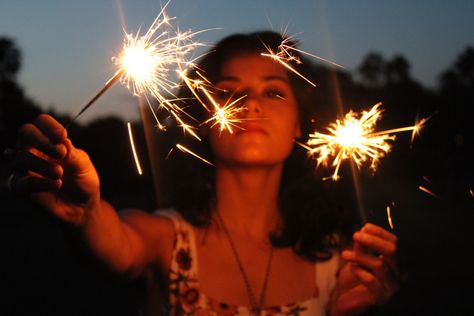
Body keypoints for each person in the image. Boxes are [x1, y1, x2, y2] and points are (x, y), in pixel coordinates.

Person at [7, 31, 400, 315]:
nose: (249, 102)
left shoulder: (339, 261)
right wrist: (85, 214)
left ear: (301, 123)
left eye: (274, 91)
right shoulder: (166, 240)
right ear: (203, 118)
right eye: (228, 91)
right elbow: (119, 247)